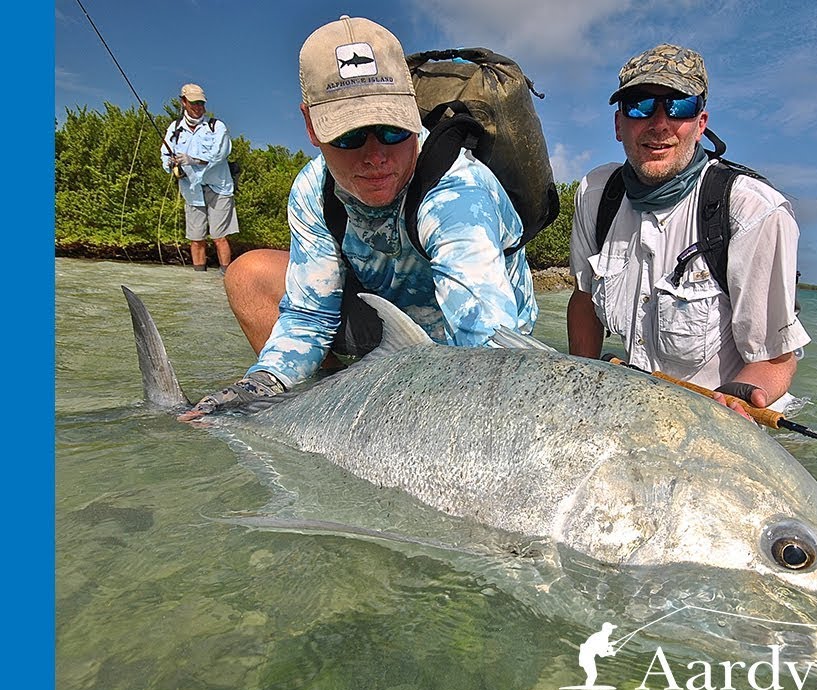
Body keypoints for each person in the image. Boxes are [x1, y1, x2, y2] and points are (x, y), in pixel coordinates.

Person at [179, 15, 537, 420]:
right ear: (311, 125)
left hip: (471, 337)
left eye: (391, 129)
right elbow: (310, 315)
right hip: (387, 324)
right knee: (248, 274)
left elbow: (488, 344)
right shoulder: (313, 190)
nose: (375, 157)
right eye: (349, 135)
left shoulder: (458, 193)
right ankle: (326, 407)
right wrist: (259, 385)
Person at [566, 44, 809, 411]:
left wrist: (735, 404)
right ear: (618, 124)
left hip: (725, 416)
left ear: (701, 124)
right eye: (640, 105)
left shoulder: (754, 211)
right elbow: (585, 299)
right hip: (635, 409)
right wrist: (578, 392)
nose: (659, 124)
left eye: (679, 106)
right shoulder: (596, 195)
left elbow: (775, 359)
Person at [161, 82, 237, 272]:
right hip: (191, 189)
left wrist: (192, 160)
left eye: (201, 103)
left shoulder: (216, 126)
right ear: (183, 102)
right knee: (196, 239)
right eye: (194, 103)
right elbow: (164, 153)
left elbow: (219, 155)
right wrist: (170, 164)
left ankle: (225, 277)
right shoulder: (174, 128)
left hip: (219, 188)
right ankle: (198, 282)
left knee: (219, 237)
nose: (198, 107)